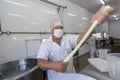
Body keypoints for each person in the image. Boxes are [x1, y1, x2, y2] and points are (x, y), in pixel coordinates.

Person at [37, 5, 112, 80]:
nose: (59, 29)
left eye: (61, 27)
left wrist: (93, 24)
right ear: (51, 30)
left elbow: (81, 39)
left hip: (71, 75)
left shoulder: (67, 39)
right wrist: (54, 65)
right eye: (56, 28)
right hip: (56, 78)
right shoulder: (46, 44)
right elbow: (40, 63)